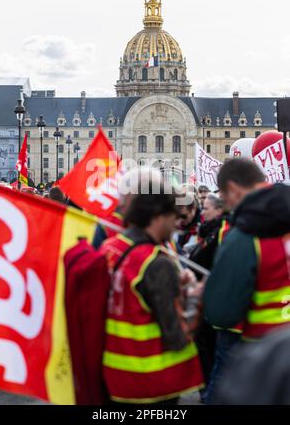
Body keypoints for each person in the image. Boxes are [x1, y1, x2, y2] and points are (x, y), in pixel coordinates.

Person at [102, 173, 204, 405]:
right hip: (151, 383)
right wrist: (195, 298)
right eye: (173, 216)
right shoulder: (157, 263)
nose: (176, 224)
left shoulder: (111, 247)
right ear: (158, 215)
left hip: (115, 375)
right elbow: (177, 335)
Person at [203, 158, 290, 401]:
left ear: (233, 189)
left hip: (261, 349)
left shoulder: (244, 233)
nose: (226, 204)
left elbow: (221, 312)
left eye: (224, 196)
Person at [189, 193, 227, 397]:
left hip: (212, 302)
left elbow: (206, 260)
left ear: (219, 210)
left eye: (207, 208)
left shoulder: (220, 232)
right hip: (206, 301)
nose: (202, 212)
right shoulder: (208, 231)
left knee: (211, 350)